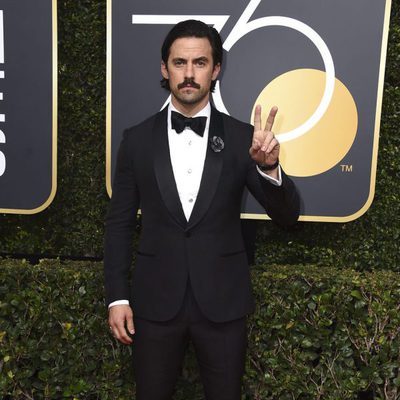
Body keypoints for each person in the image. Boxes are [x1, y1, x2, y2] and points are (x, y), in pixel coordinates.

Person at [104, 19, 300, 400]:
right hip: (154, 302)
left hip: (223, 304)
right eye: (179, 63)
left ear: (216, 69)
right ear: (164, 68)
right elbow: (119, 225)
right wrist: (117, 297)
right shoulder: (137, 140)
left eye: (200, 63)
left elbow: (287, 217)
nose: (189, 74)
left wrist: (269, 168)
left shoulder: (245, 139)